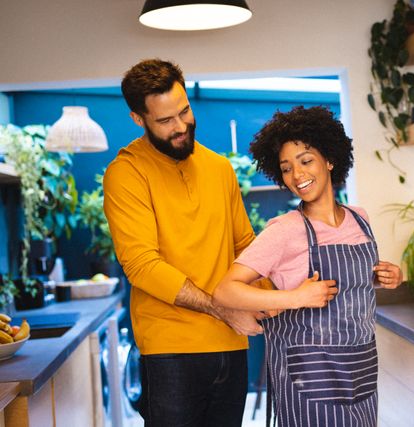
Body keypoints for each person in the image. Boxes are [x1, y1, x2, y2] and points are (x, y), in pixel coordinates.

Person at [103, 59, 336, 427]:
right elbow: (141, 265)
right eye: (165, 121)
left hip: (231, 344)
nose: (181, 127)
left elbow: (245, 246)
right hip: (171, 351)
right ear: (138, 118)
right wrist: (223, 309)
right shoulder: (126, 174)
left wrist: (278, 299)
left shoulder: (218, 168)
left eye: (184, 111)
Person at [214, 106, 403, 426]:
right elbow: (225, 291)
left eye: (305, 161)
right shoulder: (285, 229)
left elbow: (352, 284)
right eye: (286, 168)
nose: (297, 175)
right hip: (309, 379)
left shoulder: (360, 219)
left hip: (360, 373)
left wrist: (387, 277)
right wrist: (295, 298)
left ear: (329, 159)